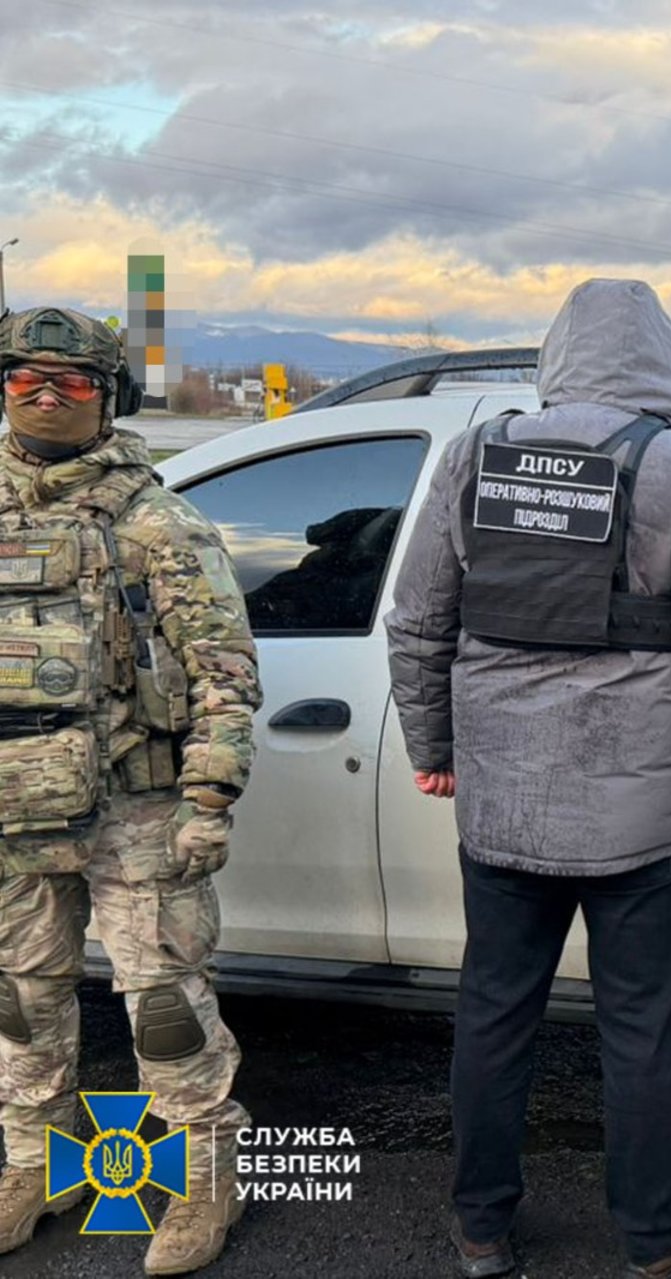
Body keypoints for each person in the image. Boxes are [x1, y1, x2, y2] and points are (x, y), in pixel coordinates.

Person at [385, 279, 671, 1279]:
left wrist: (434, 748)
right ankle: (654, 1240)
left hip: (504, 803)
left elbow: (417, 620)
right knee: (640, 1029)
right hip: (639, 816)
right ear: (664, 358)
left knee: (495, 1012)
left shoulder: (474, 455)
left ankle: (482, 1228)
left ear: (558, 356)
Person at [0, 306, 260, 1275]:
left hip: (136, 811)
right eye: (24, 377)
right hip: (15, 813)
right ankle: (34, 1163)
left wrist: (208, 801)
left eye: (70, 380)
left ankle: (205, 1176)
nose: (45, 395)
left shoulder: (157, 524)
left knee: (163, 1007)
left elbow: (224, 676)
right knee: (21, 1002)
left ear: (110, 396)